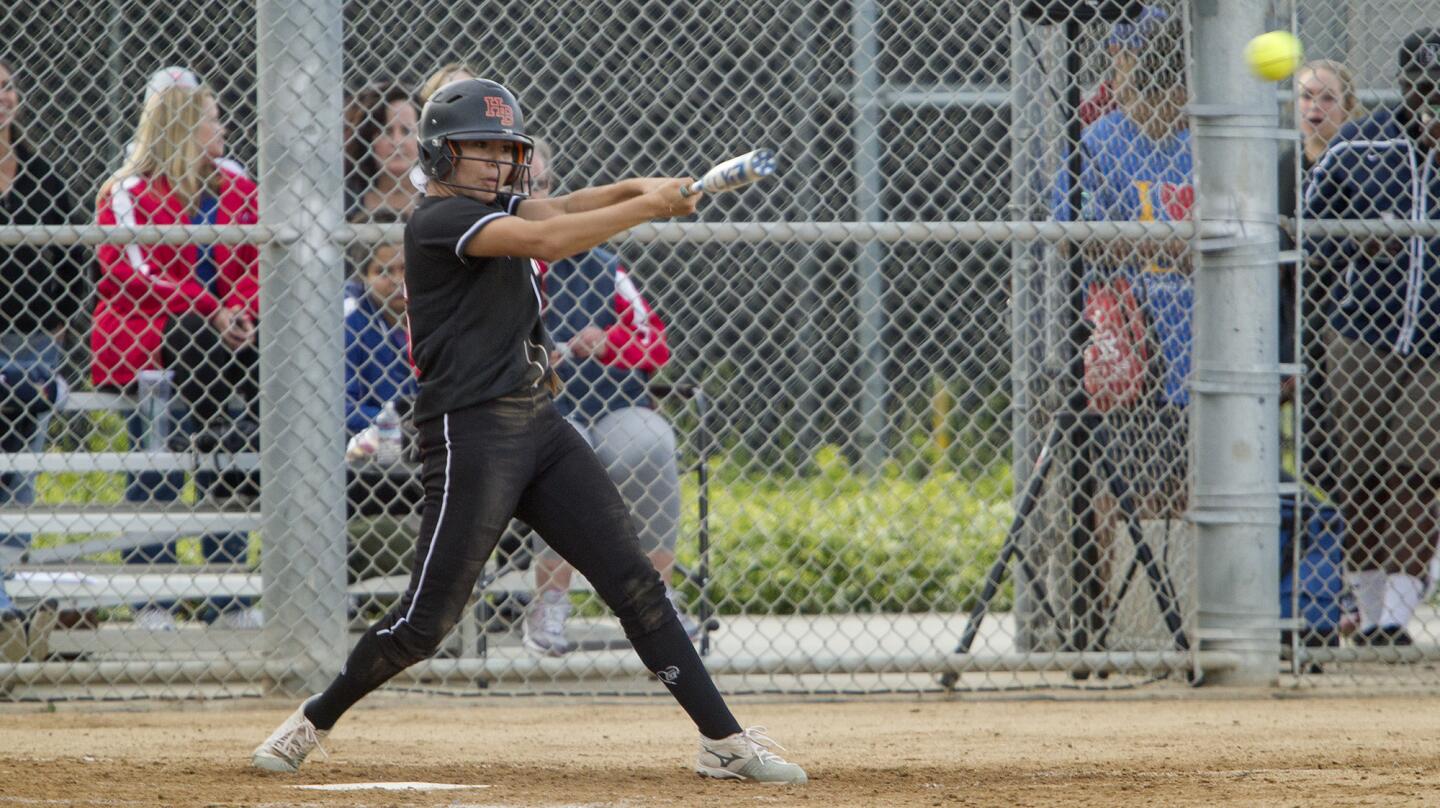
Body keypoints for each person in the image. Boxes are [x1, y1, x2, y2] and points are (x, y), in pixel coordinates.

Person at [251, 78, 807, 785]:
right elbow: (551, 235)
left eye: (504, 149)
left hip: (537, 424)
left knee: (634, 583)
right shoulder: (437, 221)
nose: (494, 162)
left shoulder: (499, 202)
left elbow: (569, 204)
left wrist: (653, 186)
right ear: (441, 156)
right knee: (426, 623)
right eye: (477, 149)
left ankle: (723, 741)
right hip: (469, 435)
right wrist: (649, 209)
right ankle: (313, 720)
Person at [92, 75, 261, 631]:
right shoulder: (128, 189)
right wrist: (211, 308)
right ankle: (151, 596)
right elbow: (132, 273)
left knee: (228, 458)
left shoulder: (233, 182)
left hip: (226, 345)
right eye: (213, 118)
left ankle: (229, 597)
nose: (224, 127)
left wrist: (238, 310)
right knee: (159, 471)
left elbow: (260, 257)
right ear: (185, 127)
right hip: (154, 351)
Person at [519, 138, 696, 655]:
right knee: (564, 454)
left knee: (650, 443)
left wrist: (608, 342)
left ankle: (657, 599)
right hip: (543, 410)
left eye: (543, 184)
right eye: (524, 185)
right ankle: (550, 598)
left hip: (612, 402)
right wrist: (528, 357)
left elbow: (655, 344)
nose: (535, 193)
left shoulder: (599, 263)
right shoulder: (501, 259)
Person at [1302, 28, 1440, 647]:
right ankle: (1366, 603)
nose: (1433, 104)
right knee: (1359, 475)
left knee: (1415, 471)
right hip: (1359, 333)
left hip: (1434, 343)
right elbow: (1309, 233)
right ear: (1407, 87)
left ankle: (1394, 619)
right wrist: (1355, 237)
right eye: (1425, 90)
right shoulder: (1363, 140)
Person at [0, 56, 82, 653]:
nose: (5, 98)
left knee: (17, 483)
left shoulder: (40, 175)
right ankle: (5, 616)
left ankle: (3, 608)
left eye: (8, 87)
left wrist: (57, 322)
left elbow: (80, 255)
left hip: (31, 347)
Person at [1279, 61, 1365, 498]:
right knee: (1310, 446)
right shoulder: (1283, 167)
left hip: (1351, 318)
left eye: (1328, 98)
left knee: (1352, 446)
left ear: (1348, 107)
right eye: (1307, 97)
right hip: (1300, 316)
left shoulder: (1363, 165)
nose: (1315, 107)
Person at [347, 83, 420, 221]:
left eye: (406, 131)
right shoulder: (346, 200)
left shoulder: (439, 196)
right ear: (369, 139)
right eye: (386, 131)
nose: (397, 141)